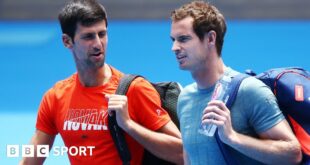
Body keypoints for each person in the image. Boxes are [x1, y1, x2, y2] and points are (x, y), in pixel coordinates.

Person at [19, 0, 183, 164]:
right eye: (88, 37)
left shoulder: (134, 89)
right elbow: (31, 160)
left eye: (102, 34)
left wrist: (129, 125)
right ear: (67, 41)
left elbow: (182, 154)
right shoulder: (55, 97)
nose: (98, 44)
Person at [170, 1, 302, 165]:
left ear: (210, 38)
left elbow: (292, 154)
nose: (174, 47)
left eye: (183, 39)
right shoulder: (184, 98)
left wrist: (232, 137)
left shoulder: (249, 90)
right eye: (173, 40)